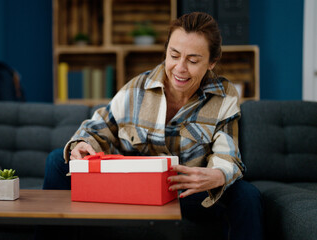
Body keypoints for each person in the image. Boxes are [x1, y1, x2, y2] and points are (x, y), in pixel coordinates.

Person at [43, 12, 262, 240]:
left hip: (187, 193)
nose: (180, 68)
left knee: (246, 195)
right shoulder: (137, 88)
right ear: (166, 51)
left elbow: (228, 153)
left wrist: (218, 174)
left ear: (211, 62)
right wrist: (81, 144)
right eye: (174, 55)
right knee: (58, 160)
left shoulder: (224, 97)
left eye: (193, 60)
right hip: (135, 188)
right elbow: (98, 127)